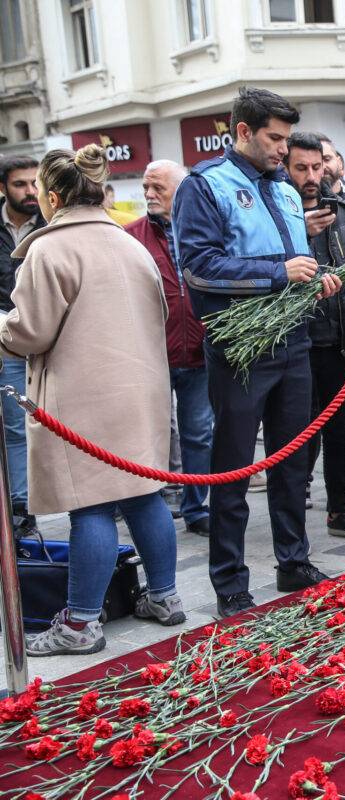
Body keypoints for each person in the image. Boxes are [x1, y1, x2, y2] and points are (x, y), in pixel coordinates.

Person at [3, 145, 184, 654]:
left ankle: (81, 624)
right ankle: (165, 598)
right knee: (143, 494)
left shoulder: (49, 248)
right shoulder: (131, 245)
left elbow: (29, 333)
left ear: (53, 196)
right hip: (142, 388)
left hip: (82, 394)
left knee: (91, 507)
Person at [174, 87, 338, 618]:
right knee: (233, 469)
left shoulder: (289, 191)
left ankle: (293, 560)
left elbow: (298, 265)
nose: (282, 150)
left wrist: (318, 281)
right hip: (240, 348)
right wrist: (276, 273)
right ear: (242, 131)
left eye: (286, 140)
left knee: (293, 462)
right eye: (274, 138)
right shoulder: (204, 186)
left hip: (293, 343)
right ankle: (229, 580)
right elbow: (197, 267)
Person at [283, 132, 345, 540]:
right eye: (301, 167)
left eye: (316, 166)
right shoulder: (277, 213)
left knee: (342, 432)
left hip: (342, 339)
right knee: (296, 436)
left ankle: (341, 508)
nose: (310, 175)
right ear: (285, 168)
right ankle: (289, 517)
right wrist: (299, 232)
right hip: (296, 343)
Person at [125, 160, 213, 537]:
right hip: (150, 358)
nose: (149, 195)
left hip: (198, 353)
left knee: (199, 435)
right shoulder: (129, 237)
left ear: (182, 190)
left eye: (158, 188)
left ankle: (197, 508)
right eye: (146, 187)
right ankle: (147, 506)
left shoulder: (203, 230)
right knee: (147, 438)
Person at [0, 155, 44, 537]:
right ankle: (21, 506)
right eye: (20, 184)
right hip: (8, 346)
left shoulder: (49, 225)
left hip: (48, 339)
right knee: (16, 428)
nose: (30, 191)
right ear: (3, 188)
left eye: (35, 183)